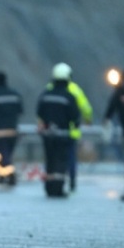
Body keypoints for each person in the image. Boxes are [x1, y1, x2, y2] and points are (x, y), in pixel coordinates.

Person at [46, 63, 92, 192]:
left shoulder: (50, 88)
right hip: (71, 131)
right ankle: (71, 181)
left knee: (52, 157)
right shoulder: (75, 89)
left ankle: (53, 182)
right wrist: (88, 119)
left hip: (51, 131)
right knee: (70, 157)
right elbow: (86, 108)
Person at [36, 65, 80, 197]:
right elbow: (75, 116)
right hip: (62, 135)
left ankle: (49, 188)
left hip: (47, 135)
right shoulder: (69, 97)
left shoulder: (45, 95)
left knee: (49, 161)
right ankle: (58, 188)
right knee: (60, 162)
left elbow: (39, 112)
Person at [0, 71, 23, 185]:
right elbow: (20, 111)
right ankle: (3, 175)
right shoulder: (14, 94)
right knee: (8, 154)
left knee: (4, 154)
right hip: (12, 130)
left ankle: (9, 174)